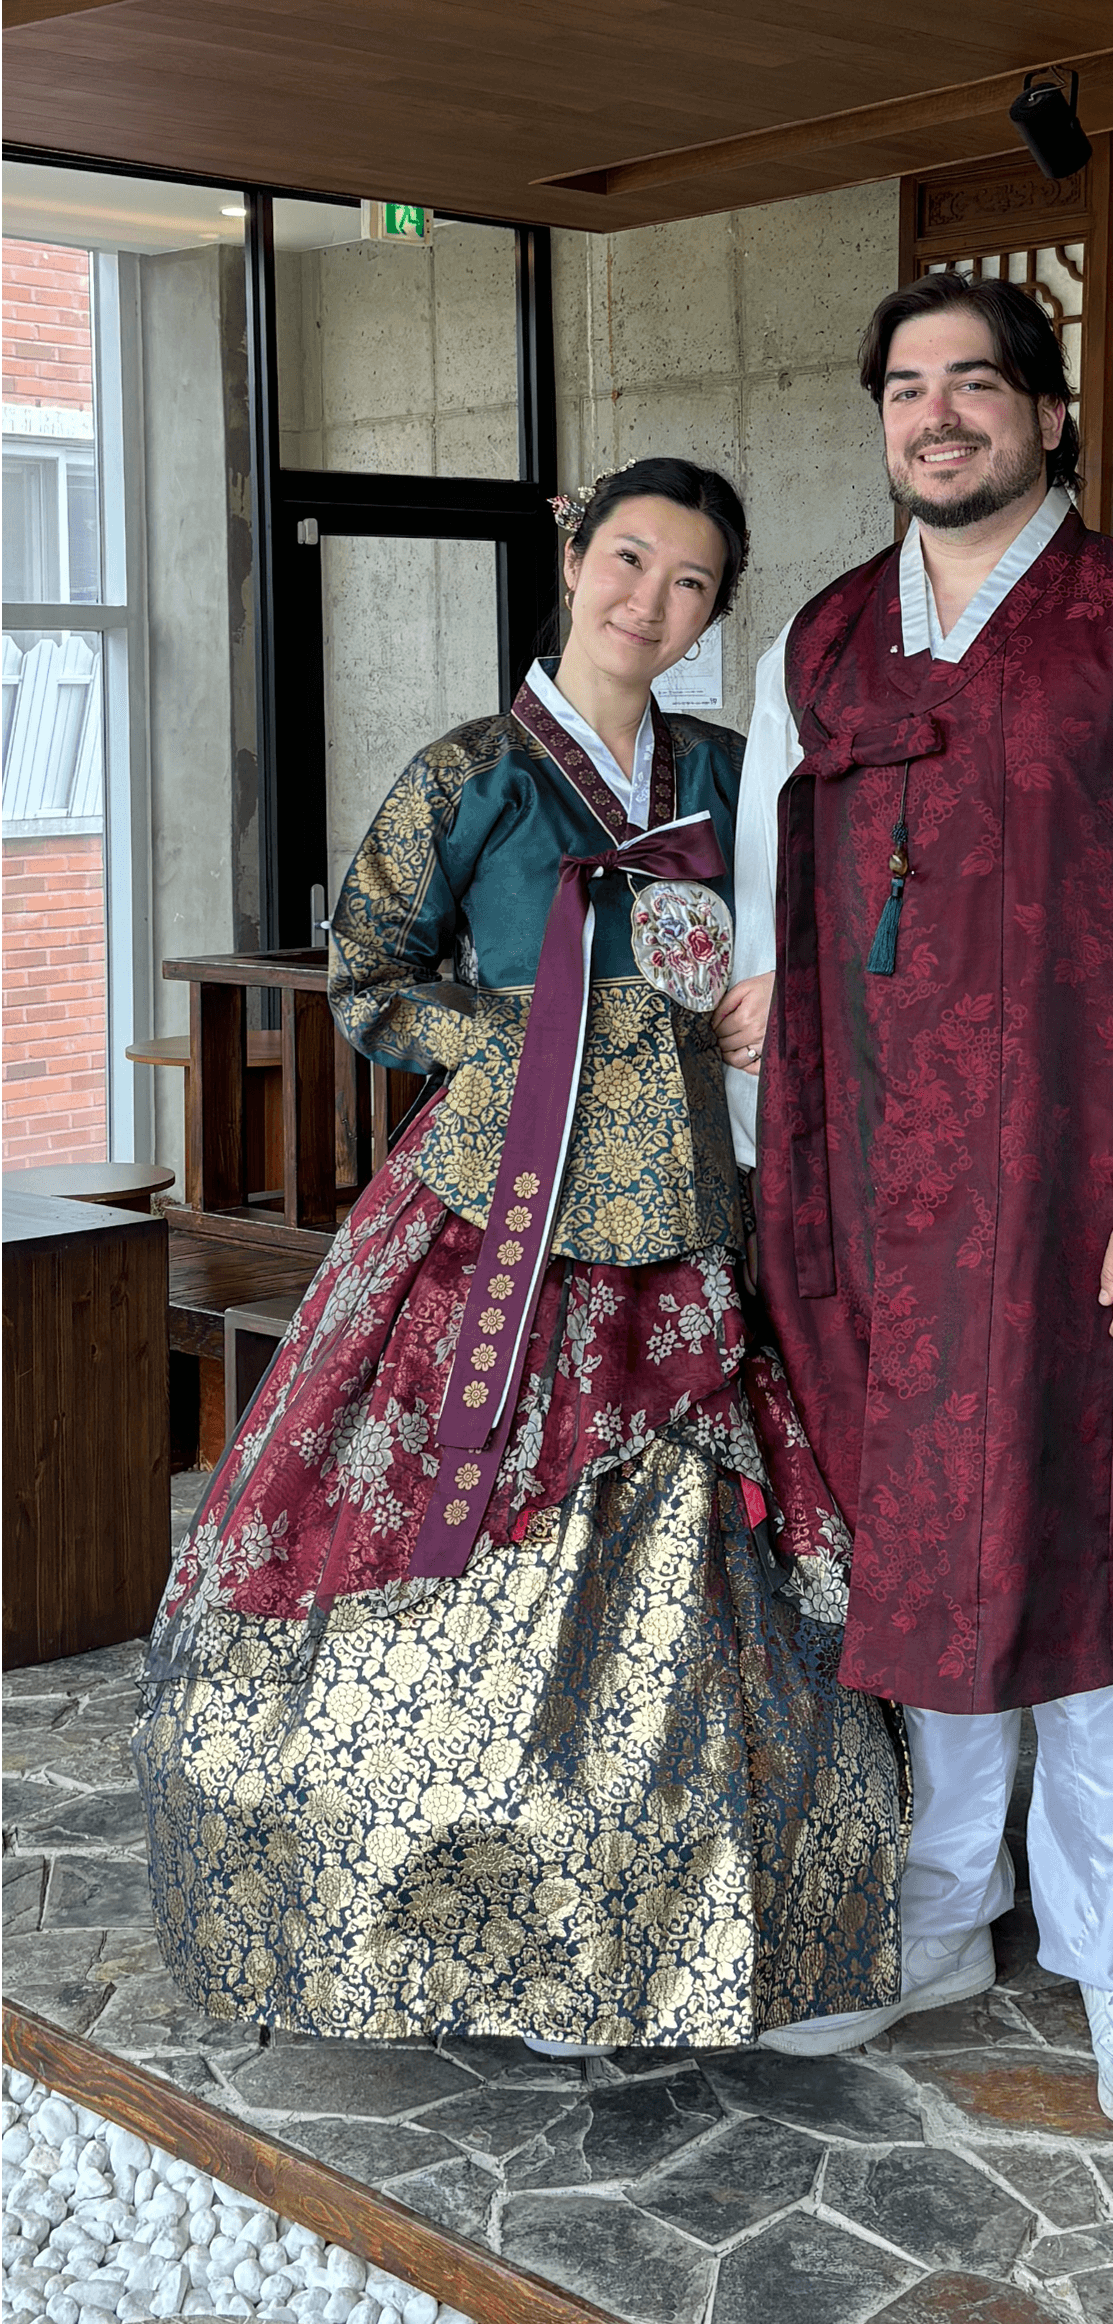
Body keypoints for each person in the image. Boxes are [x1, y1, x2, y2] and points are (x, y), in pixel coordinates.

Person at [134, 456, 905, 2054]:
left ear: (715, 608)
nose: (650, 603)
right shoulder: (468, 774)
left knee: (693, 1557)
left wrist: (778, 993)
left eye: (689, 582)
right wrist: (537, 1037)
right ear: (573, 556)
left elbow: (816, 931)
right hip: (504, 1208)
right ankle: (475, 1922)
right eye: (628, 561)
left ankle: (681, 1923)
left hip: (690, 1212)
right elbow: (366, 980)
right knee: (465, 1529)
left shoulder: (728, 768)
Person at [712, 276, 1113, 2123]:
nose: (939, 415)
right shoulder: (815, 645)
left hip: (1091, 1190)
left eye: (977, 383)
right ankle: (939, 1912)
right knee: (919, 1567)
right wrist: (766, 1159)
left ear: (1049, 415)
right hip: (875, 1197)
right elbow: (764, 911)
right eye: (907, 387)